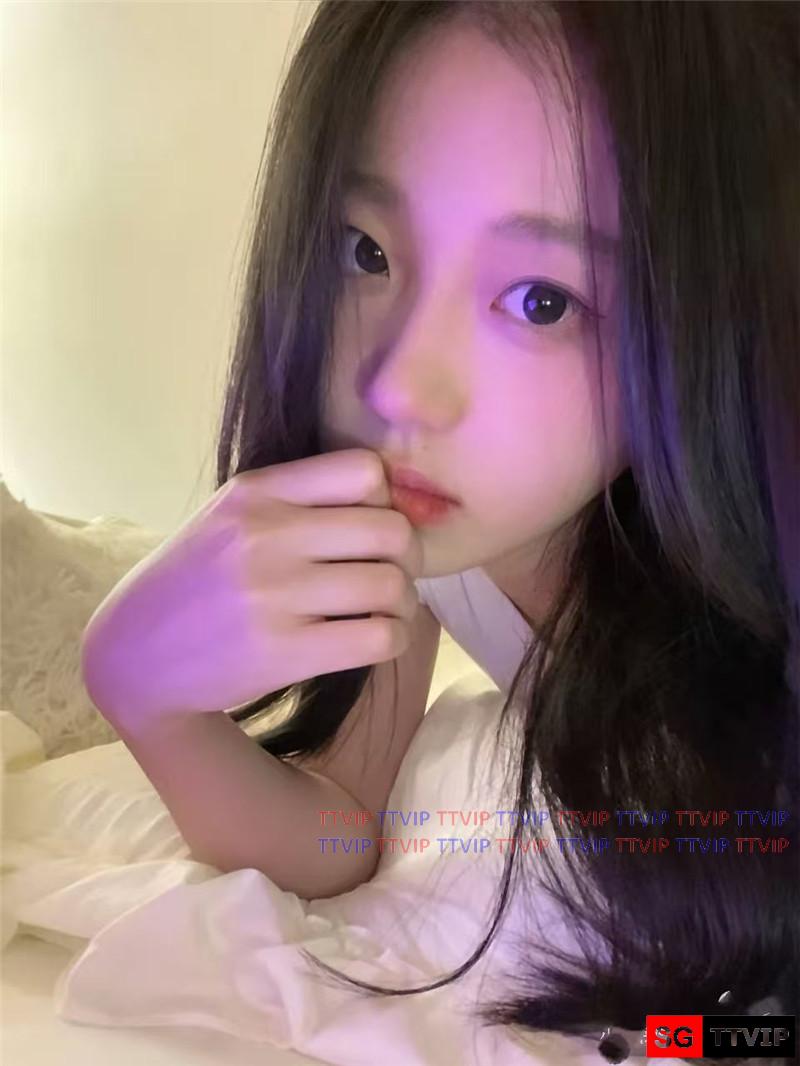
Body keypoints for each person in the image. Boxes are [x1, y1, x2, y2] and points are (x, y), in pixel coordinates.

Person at [82, 0, 799, 1056]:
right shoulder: (415, 540)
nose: (397, 385)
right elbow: (339, 829)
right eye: (366, 251)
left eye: (543, 301)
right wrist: (143, 696)